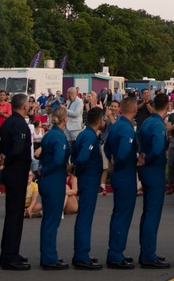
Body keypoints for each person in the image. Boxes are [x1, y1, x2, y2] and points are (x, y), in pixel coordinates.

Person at [135, 93, 171, 269]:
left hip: (145, 171)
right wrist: (148, 159)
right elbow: (158, 149)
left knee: (147, 211)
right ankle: (149, 253)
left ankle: (146, 251)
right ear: (168, 106)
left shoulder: (147, 121)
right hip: (154, 170)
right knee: (152, 213)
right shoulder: (159, 125)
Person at [0, 93, 33, 271]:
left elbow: (4, 147)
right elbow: (18, 149)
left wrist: (4, 158)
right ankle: (10, 256)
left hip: (12, 172)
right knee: (14, 215)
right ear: (24, 107)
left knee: (13, 213)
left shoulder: (7, 123)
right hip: (17, 172)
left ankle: (9, 251)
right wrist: (7, 160)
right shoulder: (19, 124)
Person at [104, 96, 139, 270]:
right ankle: (116, 254)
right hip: (125, 174)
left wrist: (112, 158)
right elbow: (125, 152)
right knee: (122, 215)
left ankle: (116, 250)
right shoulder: (127, 129)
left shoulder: (115, 126)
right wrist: (118, 161)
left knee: (118, 213)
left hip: (118, 174)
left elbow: (106, 147)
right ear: (134, 110)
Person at [35, 106, 70, 269]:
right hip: (54, 179)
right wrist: (46, 170)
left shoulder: (49, 135)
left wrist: (42, 170)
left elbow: (41, 155)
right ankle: (49, 258)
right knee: (52, 220)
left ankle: (48, 254)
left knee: (48, 220)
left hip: (46, 180)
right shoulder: (59, 137)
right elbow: (58, 160)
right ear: (65, 119)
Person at [70, 107, 104, 270]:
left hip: (86, 179)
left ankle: (81, 253)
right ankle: (82, 255)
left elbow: (74, 154)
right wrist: (79, 170)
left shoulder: (83, 134)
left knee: (84, 217)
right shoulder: (90, 136)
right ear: (99, 120)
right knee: (85, 218)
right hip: (88, 180)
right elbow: (82, 158)